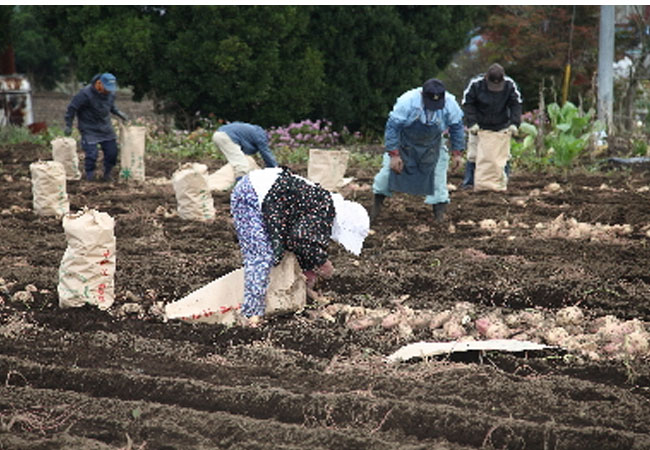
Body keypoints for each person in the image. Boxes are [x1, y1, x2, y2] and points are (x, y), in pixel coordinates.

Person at [230, 166, 369, 327]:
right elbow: (300, 238)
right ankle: (251, 315)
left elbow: (297, 242)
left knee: (276, 254)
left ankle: (292, 300)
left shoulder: (323, 206)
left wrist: (310, 272)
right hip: (252, 194)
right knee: (261, 255)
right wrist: (322, 263)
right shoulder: (324, 207)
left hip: (268, 198)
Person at [370, 78, 465, 223]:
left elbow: (457, 127)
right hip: (405, 144)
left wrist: (457, 153)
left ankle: (439, 219)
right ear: (422, 95)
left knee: (438, 181)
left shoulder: (450, 104)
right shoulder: (407, 101)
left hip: (433, 146)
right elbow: (393, 127)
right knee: (385, 176)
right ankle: (374, 212)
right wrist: (394, 155)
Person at [460, 63, 523, 189]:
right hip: (479, 126)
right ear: (486, 78)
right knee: (473, 155)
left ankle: (500, 182)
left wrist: (514, 123)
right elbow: (468, 103)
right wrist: (472, 123)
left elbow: (516, 104)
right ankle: (469, 183)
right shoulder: (475, 84)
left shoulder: (510, 85)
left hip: (501, 125)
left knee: (502, 156)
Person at [64, 73, 129, 182]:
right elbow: (72, 108)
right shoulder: (85, 94)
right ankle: (90, 176)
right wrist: (68, 124)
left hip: (105, 127)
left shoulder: (110, 94)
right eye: (106, 88)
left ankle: (107, 174)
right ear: (98, 84)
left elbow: (111, 107)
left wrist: (119, 113)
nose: (108, 91)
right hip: (89, 128)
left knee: (112, 152)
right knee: (92, 154)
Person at [212, 121, 278, 180]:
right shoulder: (260, 136)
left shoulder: (250, 132)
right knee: (242, 166)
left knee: (237, 161)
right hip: (226, 136)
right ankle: (241, 186)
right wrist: (275, 169)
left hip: (219, 134)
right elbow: (265, 153)